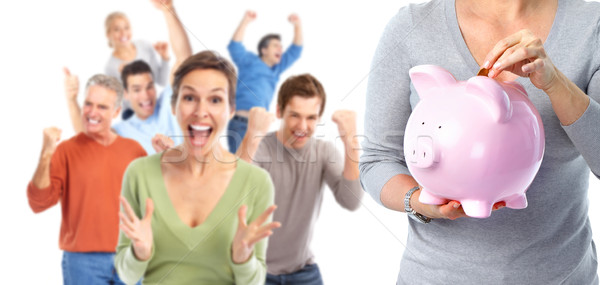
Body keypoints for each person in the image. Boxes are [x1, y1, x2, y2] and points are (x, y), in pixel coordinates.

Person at [360, 0, 600, 283]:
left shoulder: (591, 25)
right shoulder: (412, 26)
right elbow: (377, 159)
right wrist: (420, 203)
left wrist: (555, 83)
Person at [114, 50, 281, 285]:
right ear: (174, 105)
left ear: (231, 110)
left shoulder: (257, 182)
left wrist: (242, 258)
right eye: (190, 97)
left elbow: (254, 281)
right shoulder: (139, 174)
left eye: (215, 100)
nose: (201, 111)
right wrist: (139, 253)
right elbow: (127, 275)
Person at [239, 74, 364, 284]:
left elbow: (351, 201)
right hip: (256, 270)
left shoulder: (323, 152)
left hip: (303, 271)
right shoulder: (259, 148)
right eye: (295, 115)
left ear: (319, 117)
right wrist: (252, 135)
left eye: (311, 117)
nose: (303, 126)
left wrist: (351, 143)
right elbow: (233, 193)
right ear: (279, 112)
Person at [26, 74, 147, 284]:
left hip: (129, 257)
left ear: (116, 112)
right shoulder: (65, 151)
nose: (92, 112)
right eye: (88, 104)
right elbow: (39, 202)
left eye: (102, 107)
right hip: (82, 262)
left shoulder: (134, 151)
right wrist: (46, 154)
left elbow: (153, 200)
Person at [226, 10, 303, 153]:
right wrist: (246, 21)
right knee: (238, 167)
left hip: (259, 127)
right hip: (240, 124)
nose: (280, 48)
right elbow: (234, 46)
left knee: (254, 170)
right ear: (264, 50)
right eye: (275, 45)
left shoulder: (276, 69)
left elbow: (296, 51)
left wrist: (297, 25)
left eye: (281, 46)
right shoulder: (249, 61)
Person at [104, 6, 171, 120]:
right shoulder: (111, 67)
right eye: (116, 29)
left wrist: (164, 58)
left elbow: (162, 81)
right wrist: (124, 77)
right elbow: (118, 100)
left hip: (152, 105)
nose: (123, 33)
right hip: (132, 112)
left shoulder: (144, 46)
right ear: (108, 35)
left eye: (126, 27)